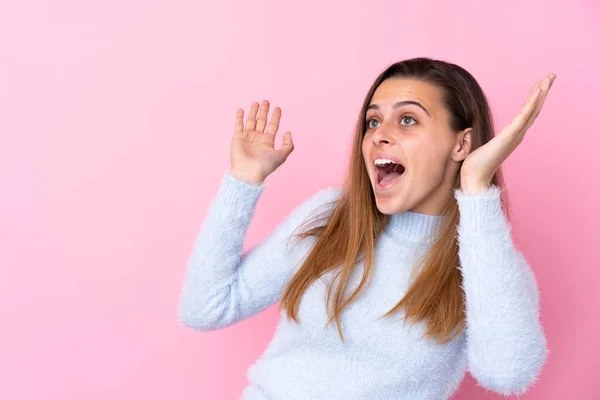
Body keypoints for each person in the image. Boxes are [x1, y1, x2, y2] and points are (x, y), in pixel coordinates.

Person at [178, 57, 555, 399]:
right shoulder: (329, 217)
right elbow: (206, 309)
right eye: (373, 121)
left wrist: (476, 190)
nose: (379, 135)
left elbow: (508, 374)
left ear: (463, 144)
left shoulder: (488, 266)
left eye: (408, 119)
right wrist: (241, 182)